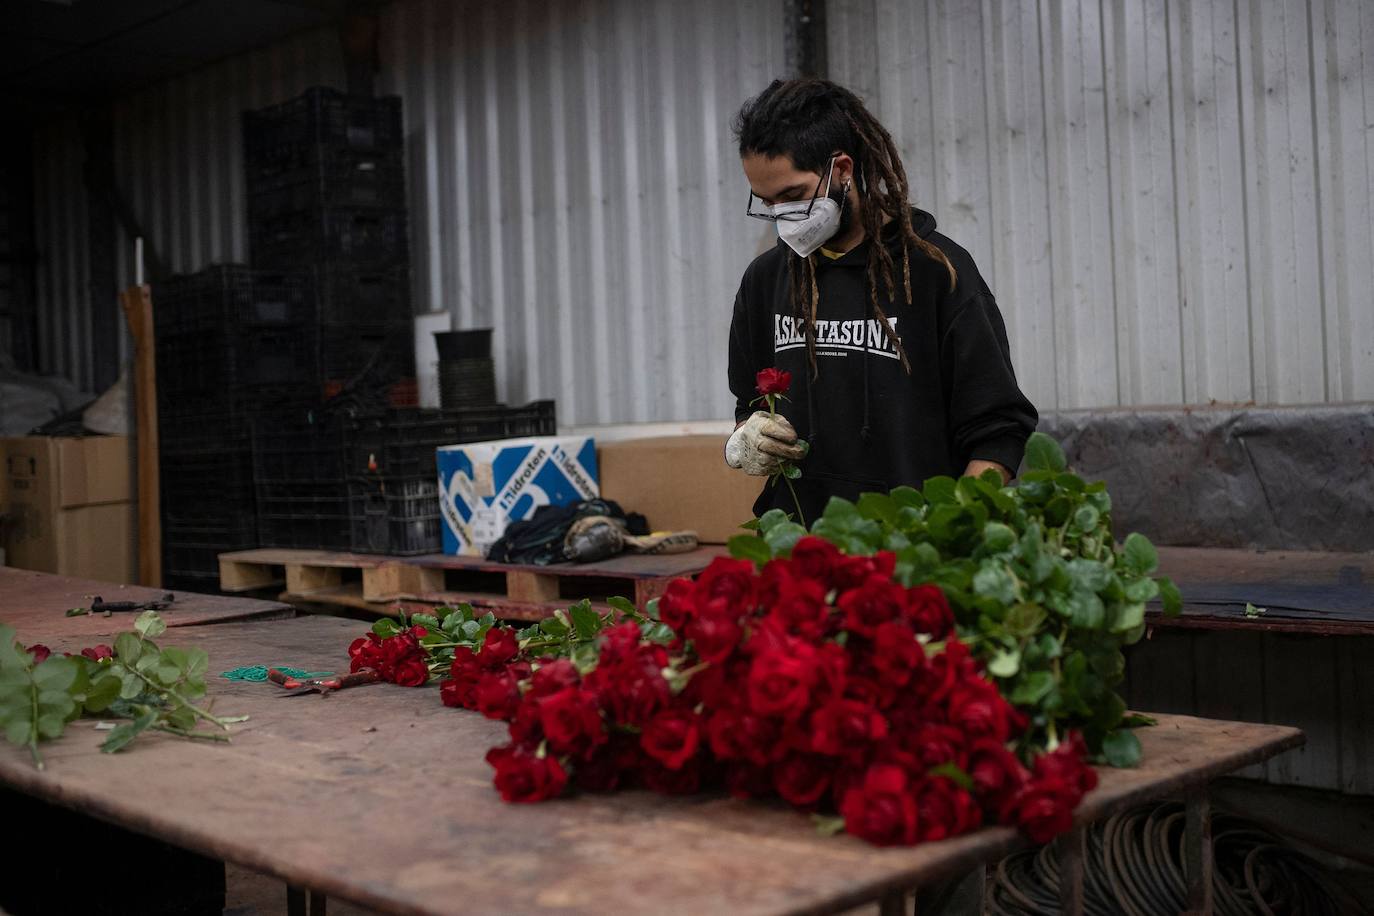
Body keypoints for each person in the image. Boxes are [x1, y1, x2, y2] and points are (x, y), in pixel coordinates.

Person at [725, 78, 1038, 525]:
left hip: (912, 552)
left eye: (792, 195)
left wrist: (950, 529)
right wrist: (746, 438)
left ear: (843, 169)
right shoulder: (764, 281)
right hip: (801, 551)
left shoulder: (937, 273)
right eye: (766, 201)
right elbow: (748, 405)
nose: (781, 216)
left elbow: (999, 431)